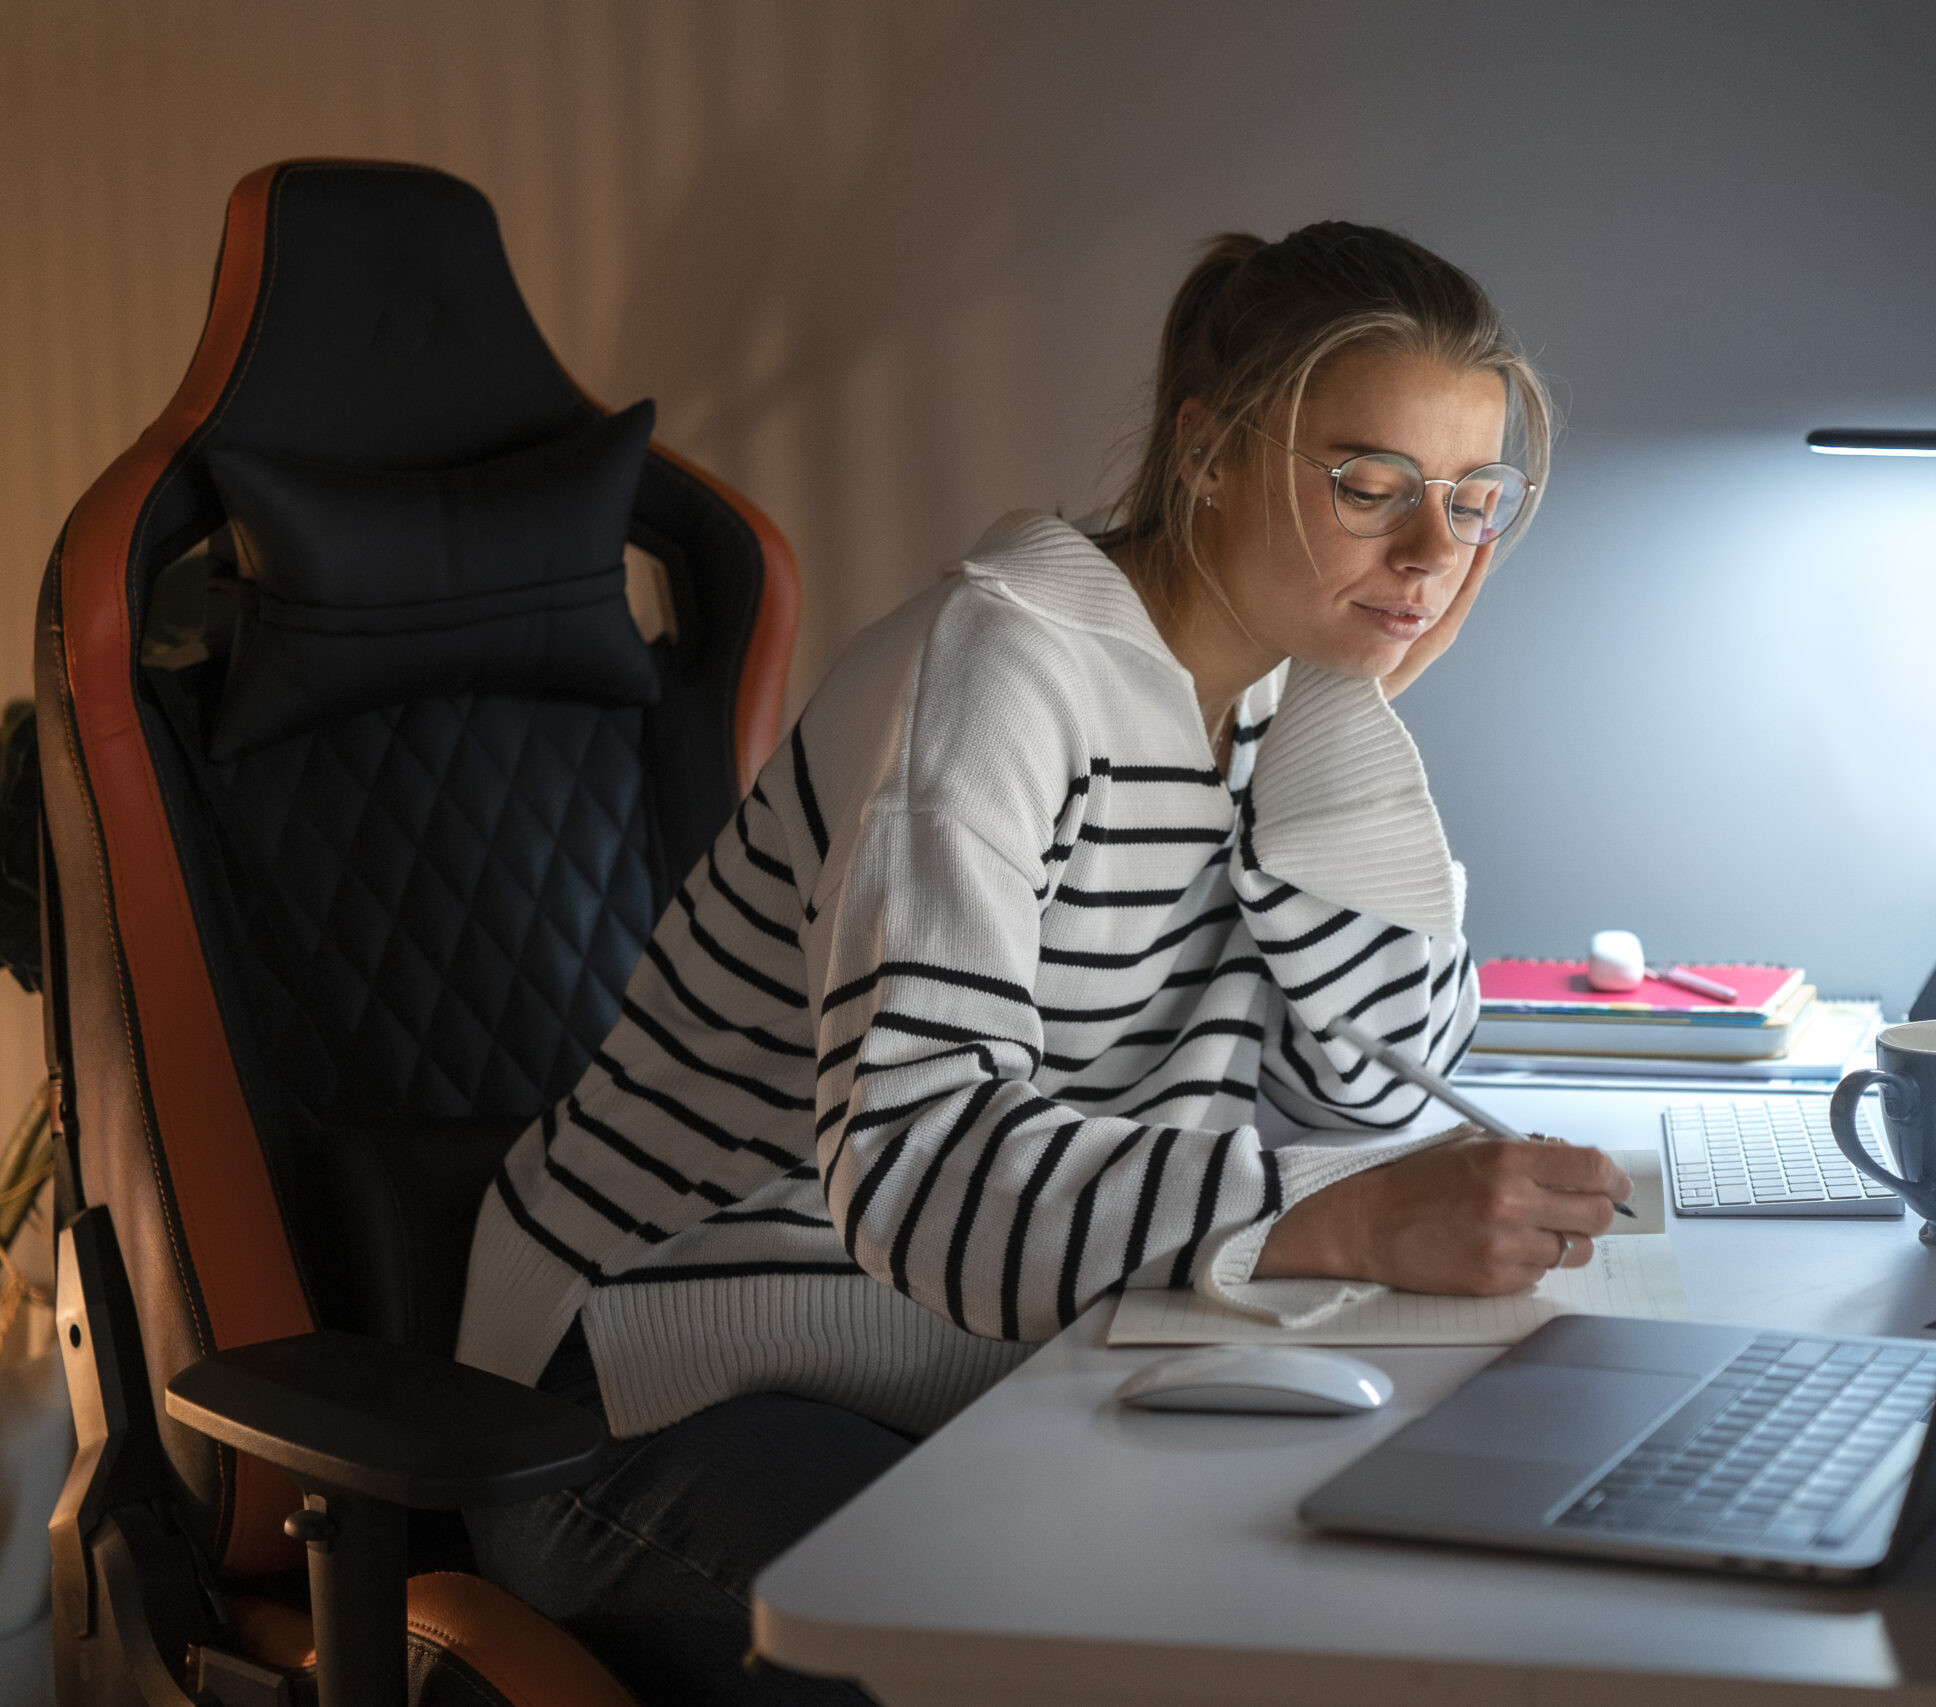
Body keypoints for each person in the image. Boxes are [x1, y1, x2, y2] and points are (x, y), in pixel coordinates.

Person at [456, 221, 1633, 1705]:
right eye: (1368, 486)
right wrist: (1328, 1224)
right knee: (1075, 1665)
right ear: (1207, 454)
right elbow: (919, 1169)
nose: (1429, 554)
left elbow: (1363, 1087)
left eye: (1472, 502)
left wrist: (1355, 714)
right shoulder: (998, 669)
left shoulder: (1281, 694)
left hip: (934, 1348)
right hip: (652, 1374)